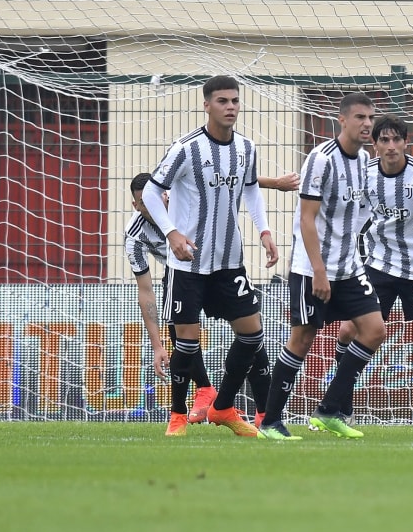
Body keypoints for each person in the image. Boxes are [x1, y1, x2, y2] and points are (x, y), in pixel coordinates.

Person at [141, 75, 279, 438]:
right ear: (207, 105)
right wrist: (172, 232)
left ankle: (223, 407)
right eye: (222, 101)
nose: (230, 107)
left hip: (229, 262)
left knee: (252, 335)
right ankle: (177, 416)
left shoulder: (246, 148)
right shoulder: (186, 148)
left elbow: (251, 190)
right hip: (188, 264)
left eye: (234, 100)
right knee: (187, 343)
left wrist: (264, 231)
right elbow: (152, 192)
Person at [127, 169, 299, 436]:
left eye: (156, 198)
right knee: (179, 332)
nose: (152, 205)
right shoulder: (135, 235)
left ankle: (263, 414)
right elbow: (145, 291)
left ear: (165, 194)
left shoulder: (182, 196)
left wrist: (275, 183)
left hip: (221, 268)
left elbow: (229, 179)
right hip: (184, 274)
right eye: (144, 202)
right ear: (136, 205)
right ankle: (198, 396)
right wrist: (157, 345)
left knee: (252, 335)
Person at [256, 93, 388, 441]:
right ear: (342, 120)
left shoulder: (364, 160)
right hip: (311, 268)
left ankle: (329, 410)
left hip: (349, 267)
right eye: (360, 117)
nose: (367, 124)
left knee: (375, 330)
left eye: (370, 118)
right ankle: (270, 422)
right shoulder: (321, 159)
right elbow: (307, 218)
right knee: (302, 339)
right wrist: (318, 270)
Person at [328, 113, 413, 438]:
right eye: (384, 140)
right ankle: (341, 411)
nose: (391, 146)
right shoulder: (364, 175)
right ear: (375, 145)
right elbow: (355, 218)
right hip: (380, 265)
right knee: (348, 330)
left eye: (397, 139)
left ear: (406, 143)